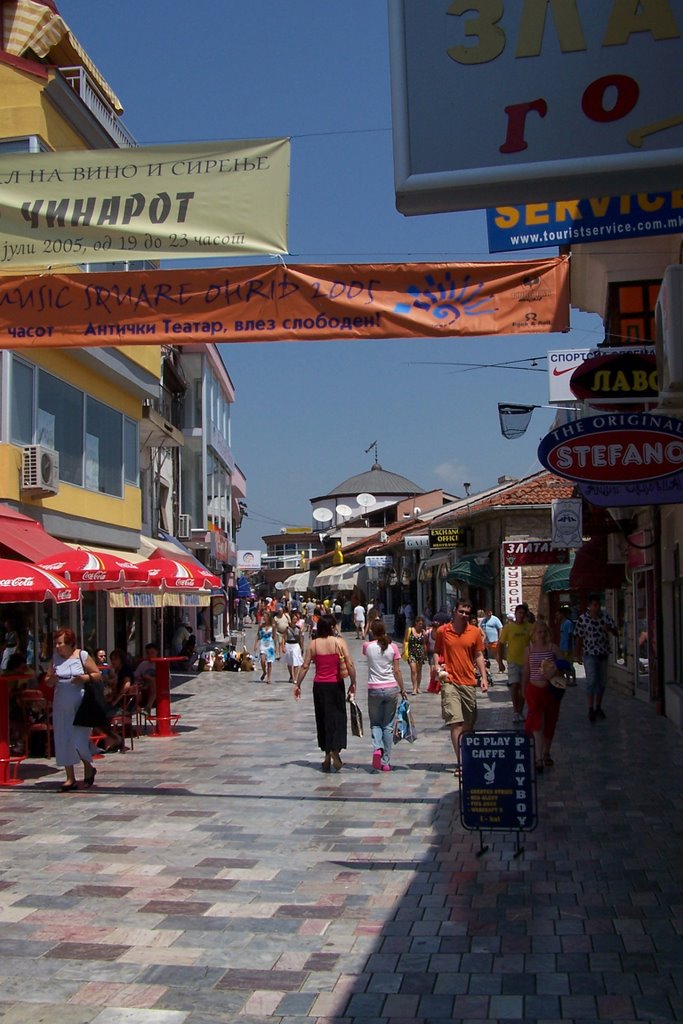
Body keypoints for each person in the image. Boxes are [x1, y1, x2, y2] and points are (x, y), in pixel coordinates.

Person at [293, 614, 356, 772]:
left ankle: (327, 756)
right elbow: (349, 663)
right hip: (335, 685)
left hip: (320, 686)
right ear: (332, 627)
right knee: (338, 717)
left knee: (323, 719)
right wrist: (353, 682)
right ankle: (335, 750)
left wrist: (298, 684)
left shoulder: (313, 644)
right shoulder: (339, 642)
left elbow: (305, 666)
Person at [434, 599, 488, 776]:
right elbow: (436, 651)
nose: (464, 615)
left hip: (469, 681)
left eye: (467, 612)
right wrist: (436, 666)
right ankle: (461, 762)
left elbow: (479, 654)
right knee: (455, 722)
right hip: (450, 680)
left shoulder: (474, 632)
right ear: (454, 612)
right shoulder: (443, 631)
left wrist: (484, 678)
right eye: (461, 611)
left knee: (469, 723)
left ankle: (467, 755)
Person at [44, 628, 102, 791]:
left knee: (78, 739)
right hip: (61, 702)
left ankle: (88, 767)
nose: (57, 647)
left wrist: (83, 678)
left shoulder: (81, 655)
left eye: (60, 643)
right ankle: (70, 777)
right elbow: (47, 680)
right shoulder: (55, 659)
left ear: (69, 643)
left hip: (79, 702)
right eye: (55, 643)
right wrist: (52, 679)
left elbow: (97, 674)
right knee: (63, 738)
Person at [363, 619, 406, 772]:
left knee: (375, 723)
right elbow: (397, 671)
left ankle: (377, 748)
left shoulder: (367, 647)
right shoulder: (393, 647)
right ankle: (386, 762)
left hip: (374, 688)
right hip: (391, 688)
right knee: (388, 725)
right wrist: (403, 690)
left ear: (372, 632)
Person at [522, 620, 562, 771]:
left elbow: (564, 664)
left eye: (544, 632)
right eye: (539, 632)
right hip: (534, 688)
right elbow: (526, 669)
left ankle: (546, 752)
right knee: (537, 722)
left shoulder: (553, 648)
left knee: (550, 720)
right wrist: (523, 687)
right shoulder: (529, 650)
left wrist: (556, 669)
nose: (542, 635)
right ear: (533, 634)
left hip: (551, 689)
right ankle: (538, 757)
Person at [574, 593, 618, 721]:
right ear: (589, 606)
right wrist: (577, 654)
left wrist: (609, 629)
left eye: (598, 605)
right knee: (591, 681)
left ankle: (598, 706)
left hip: (603, 653)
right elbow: (579, 636)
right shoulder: (583, 619)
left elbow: (616, 632)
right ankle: (590, 708)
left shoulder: (605, 617)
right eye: (594, 605)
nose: (597, 607)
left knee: (602, 681)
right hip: (590, 654)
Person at [498, 605, 534, 723]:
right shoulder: (508, 628)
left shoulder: (529, 627)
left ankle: (520, 710)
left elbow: (535, 642)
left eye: (523, 613)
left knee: (523, 688)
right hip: (512, 660)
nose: (521, 615)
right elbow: (501, 643)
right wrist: (500, 662)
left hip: (526, 661)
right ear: (516, 613)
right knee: (514, 686)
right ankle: (515, 711)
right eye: (519, 613)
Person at [404, 615, 428, 695]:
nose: (421, 625)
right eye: (419, 623)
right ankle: (414, 688)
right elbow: (405, 640)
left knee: (419, 670)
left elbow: (424, 644)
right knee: (413, 670)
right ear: (416, 623)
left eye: (422, 624)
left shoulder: (423, 632)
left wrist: (425, 654)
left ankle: (418, 687)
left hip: (420, 653)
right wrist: (404, 651)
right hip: (411, 652)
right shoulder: (410, 630)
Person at [134, 642, 159, 712]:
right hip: (144, 689)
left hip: (157, 692)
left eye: (152, 653)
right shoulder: (143, 664)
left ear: (157, 652)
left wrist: (150, 678)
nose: (150, 655)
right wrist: (141, 678)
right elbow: (136, 676)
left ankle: (148, 707)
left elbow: (166, 681)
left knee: (153, 682)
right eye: (148, 653)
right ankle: (136, 706)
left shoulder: (161, 664)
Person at [557, 605, 576, 685]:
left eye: (558, 615)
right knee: (564, 664)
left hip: (567, 648)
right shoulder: (562, 623)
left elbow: (570, 636)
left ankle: (574, 680)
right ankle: (567, 679)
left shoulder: (568, 623)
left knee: (570, 664)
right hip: (562, 647)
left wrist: (569, 648)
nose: (557, 616)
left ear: (562, 614)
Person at [253, 612, 276, 683]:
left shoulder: (273, 626)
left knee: (269, 662)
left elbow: (274, 636)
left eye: (265, 617)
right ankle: (264, 671)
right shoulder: (261, 626)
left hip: (270, 644)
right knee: (262, 660)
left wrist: (276, 647)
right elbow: (258, 635)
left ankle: (269, 678)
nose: (264, 618)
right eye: (263, 616)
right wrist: (255, 644)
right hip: (263, 643)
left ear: (268, 618)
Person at [283, 610, 304, 683]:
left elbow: (301, 638)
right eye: (294, 619)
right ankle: (291, 675)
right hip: (288, 644)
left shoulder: (298, 629)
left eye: (296, 619)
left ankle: (295, 677)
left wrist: (302, 647)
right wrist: (283, 646)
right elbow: (284, 637)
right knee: (289, 662)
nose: (295, 621)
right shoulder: (287, 628)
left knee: (296, 661)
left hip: (296, 645)